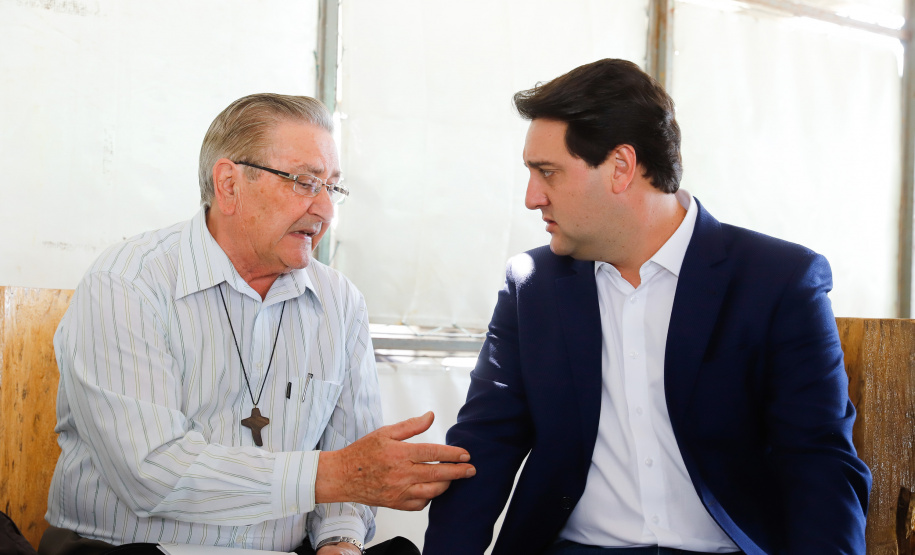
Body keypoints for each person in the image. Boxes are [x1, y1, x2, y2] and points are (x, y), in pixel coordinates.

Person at [423, 59, 871, 555]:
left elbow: (818, 461)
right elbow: (485, 445)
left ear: (621, 167)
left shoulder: (778, 282)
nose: (532, 198)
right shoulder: (533, 286)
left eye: (547, 172)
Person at [39, 93, 475, 555]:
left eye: (332, 187)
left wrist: (340, 540)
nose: (326, 210)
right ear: (229, 184)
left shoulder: (340, 302)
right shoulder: (127, 283)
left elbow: (352, 471)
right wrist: (335, 474)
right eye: (305, 182)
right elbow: (151, 473)